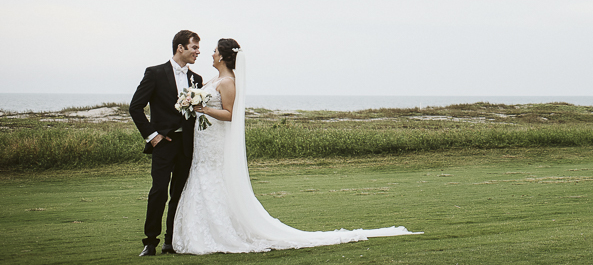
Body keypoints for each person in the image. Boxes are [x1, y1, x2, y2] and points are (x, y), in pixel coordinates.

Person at [172, 38, 420, 254]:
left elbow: (231, 114)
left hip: (216, 142)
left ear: (224, 56)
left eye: (215, 50)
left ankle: (219, 234)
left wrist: (204, 109)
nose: (211, 54)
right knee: (204, 179)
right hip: (205, 141)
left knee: (214, 181)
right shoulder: (214, 79)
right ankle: (204, 232)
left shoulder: (227, 82)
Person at [129, 30, 204, 256]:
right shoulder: (155, 73)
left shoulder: (196, 79)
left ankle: (170, 241)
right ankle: (150, 241)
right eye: (194, 48)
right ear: (180, 48)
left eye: (199, 48)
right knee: (159, 191)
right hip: (163, 143)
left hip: (186, 145)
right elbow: (135, 107)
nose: (198, 52)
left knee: (178, 194)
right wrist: (154, 136)